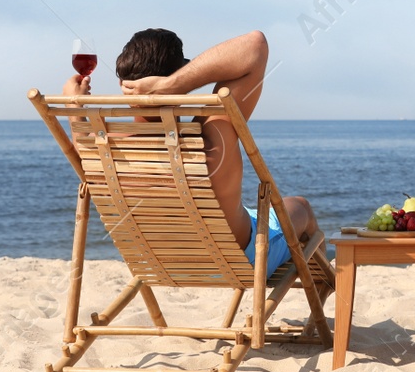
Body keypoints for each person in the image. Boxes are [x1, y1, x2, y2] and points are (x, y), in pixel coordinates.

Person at [63, 28, 324, 284]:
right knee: (301, 206)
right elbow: (255, 45)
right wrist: (172, 83)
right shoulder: (212, 137)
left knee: (252, 212)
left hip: (157, 264)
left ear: (122, 83)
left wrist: (73, 107)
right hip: (240, 262)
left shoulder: (102, 152)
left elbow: (80, 140)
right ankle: (321, 300)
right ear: (179, 85)